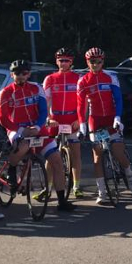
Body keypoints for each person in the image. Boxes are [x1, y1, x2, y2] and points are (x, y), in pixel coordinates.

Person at [0, 60, 75, 212]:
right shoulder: (5, 93)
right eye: (17, 73)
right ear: (12, 74)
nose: (21, 76)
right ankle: (12, 170)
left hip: (37, 129)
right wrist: (20, 130)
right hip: (17, 129)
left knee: (57, 161)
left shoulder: (36, 88)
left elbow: (43, 111)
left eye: (24, 73)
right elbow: (3, 119)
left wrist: (39, 126)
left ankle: (61, 200)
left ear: (29, 74)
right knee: (23, 146)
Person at [77, 47, 132, 204]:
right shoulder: (83, 81)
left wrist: (118, 117)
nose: (95, 64)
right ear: (88, 62)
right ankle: (102, 192)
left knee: (118, 152)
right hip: (95, 120)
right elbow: (80, 106)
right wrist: (82, 124)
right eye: (92, 62)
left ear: (103, 62)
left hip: (111, 118)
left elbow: (118, 99)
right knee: (97, 155)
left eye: (99, 61)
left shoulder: (110, 77)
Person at [43, 47, 83, 198]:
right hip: (56, 119)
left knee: (76, 154)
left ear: (71, 62)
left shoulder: (78, 78)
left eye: (66, 61)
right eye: (61, 60)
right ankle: (47, 188)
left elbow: (82, 103)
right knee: (50, 155)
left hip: (72, 119)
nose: (63, 63)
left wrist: (79, 119)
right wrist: (48, 119)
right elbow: (45, 102)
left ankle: (76, 186)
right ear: (56, 61)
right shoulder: (50, 79)